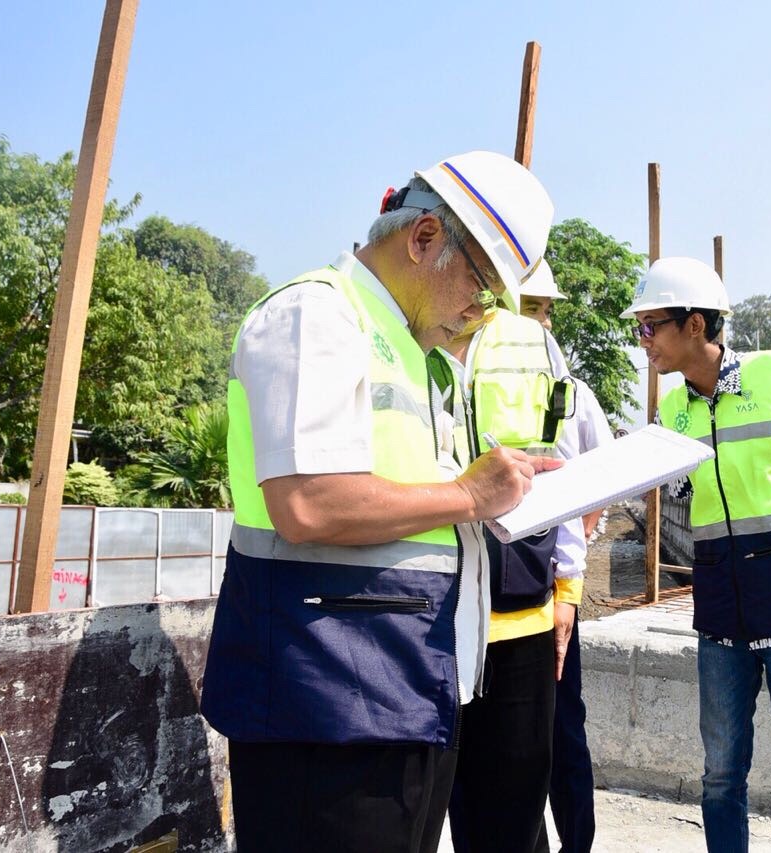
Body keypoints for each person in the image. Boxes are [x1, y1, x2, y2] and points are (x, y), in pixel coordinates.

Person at [200, 150, 558, 853]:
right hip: (322, 704)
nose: (480, 315)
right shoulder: (317, 315)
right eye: (481, 288)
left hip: (402, 692)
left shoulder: (419, 356)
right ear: (423, 238)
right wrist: (466, 493)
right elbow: (305, 502)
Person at [625, 256, 771, 853]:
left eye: (651, 326)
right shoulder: (672, 414)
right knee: (721, 774)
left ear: (696, 324)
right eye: (640, 328)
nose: (642, 341)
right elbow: (683, 497)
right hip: (723, 613)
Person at [433, 258, 585, 852]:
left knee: (515, 817)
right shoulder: (399, 338)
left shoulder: (534, 346)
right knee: (425, 808)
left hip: (519, 620)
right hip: (427, 621)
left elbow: (564, 473)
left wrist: (567, 589)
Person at [518, 261, 615, 853]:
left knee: (560, 734)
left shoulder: (569, 394)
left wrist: (569, 584)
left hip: (549, 595)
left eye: (542, 310)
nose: (539, 322)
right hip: (484, 597)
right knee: (502, 748)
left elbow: (596, 488)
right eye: (530, 308)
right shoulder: (459, 382)